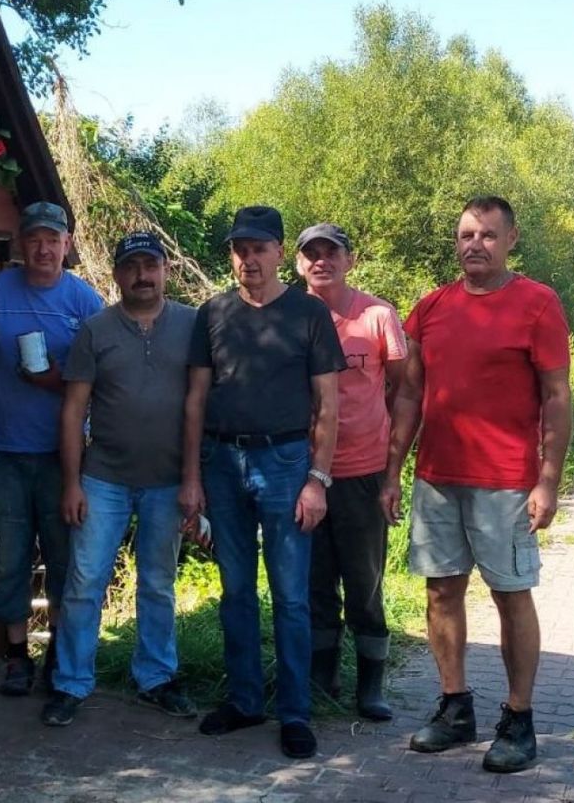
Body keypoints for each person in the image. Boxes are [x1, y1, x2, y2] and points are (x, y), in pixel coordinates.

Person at [380, 196, 571, 773]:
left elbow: (557, 396)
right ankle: (455, 707)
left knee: (510, 596)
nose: (475, 244)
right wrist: (392, 470)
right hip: (438, 478)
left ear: (511, 239)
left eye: (488, 234)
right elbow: (410, 395)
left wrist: (549, 479)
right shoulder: (431, 308)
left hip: (507, 483)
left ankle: (518, 718)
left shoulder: (537, 304)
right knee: (441, 591)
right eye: (466, 233)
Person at [182, 205, 345, 760]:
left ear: (279, 252)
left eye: (258, 248)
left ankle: (295, 712)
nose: (248, 259)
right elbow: (196, 400)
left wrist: (317, 481)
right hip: (222, 465)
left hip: (287, 465)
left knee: (291, 597)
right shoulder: (213, 314)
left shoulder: (309, 315)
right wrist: (192, 479)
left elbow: (328, 404)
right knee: (235, 593)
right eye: (239, 249)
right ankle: (247, 700)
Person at [41, 232, 199, 727]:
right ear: (116, 275)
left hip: (168, 480)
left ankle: (155, 677)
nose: (142, 276)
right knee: (86, 581)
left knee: (158, 583)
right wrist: (72, 481)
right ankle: (71, 682)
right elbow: (73, 410)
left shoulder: (194, 326)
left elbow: (203, 405)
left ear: (166, 270)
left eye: (150, 265)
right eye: (131, 267)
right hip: (103, 478)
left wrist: (196, 479)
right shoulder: (95, 330)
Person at [0, 201, 105, 696]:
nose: (44, 248)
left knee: (65, 558)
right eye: (35, 239)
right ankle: (16, 654)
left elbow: (100, 380)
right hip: (3, 451)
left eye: (53, 239)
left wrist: (52, 381)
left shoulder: (85, 302)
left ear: (67, 245)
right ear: (22, 244)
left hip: (64, 458)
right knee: (7, 556)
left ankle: (59, 656)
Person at [296, 223, 407, 722]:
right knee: (314, 584)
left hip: (363, 473)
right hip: (301, 475)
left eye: (331, 252)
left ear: (350, 259)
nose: (322, 261)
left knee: (364, 584)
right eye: (311, 254)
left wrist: (392, 472)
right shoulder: (287, 316)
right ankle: (323, 678)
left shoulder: (378, 315)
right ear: (298, 264)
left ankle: (371, 685)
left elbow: (405, 392)